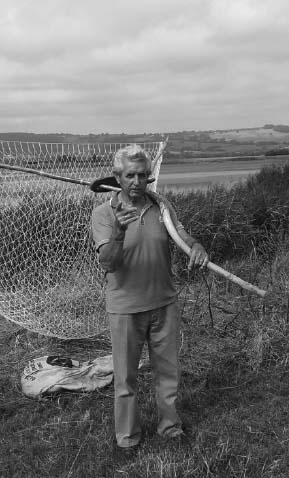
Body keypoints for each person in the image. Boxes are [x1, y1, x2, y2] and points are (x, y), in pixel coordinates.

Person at [90, 144, 209, 452]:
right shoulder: (103, 214)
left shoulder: (162, 206)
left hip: (164, 303)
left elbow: (181, 236)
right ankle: (127, 438)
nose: (137, 182)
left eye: (143, 175)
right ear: (117, 177)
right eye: (130, 175)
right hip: (125, 308)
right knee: (125, 380)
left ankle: (170, 427)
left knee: (168, 373)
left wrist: (196, 246)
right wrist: (119, 230)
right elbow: (107, 263)